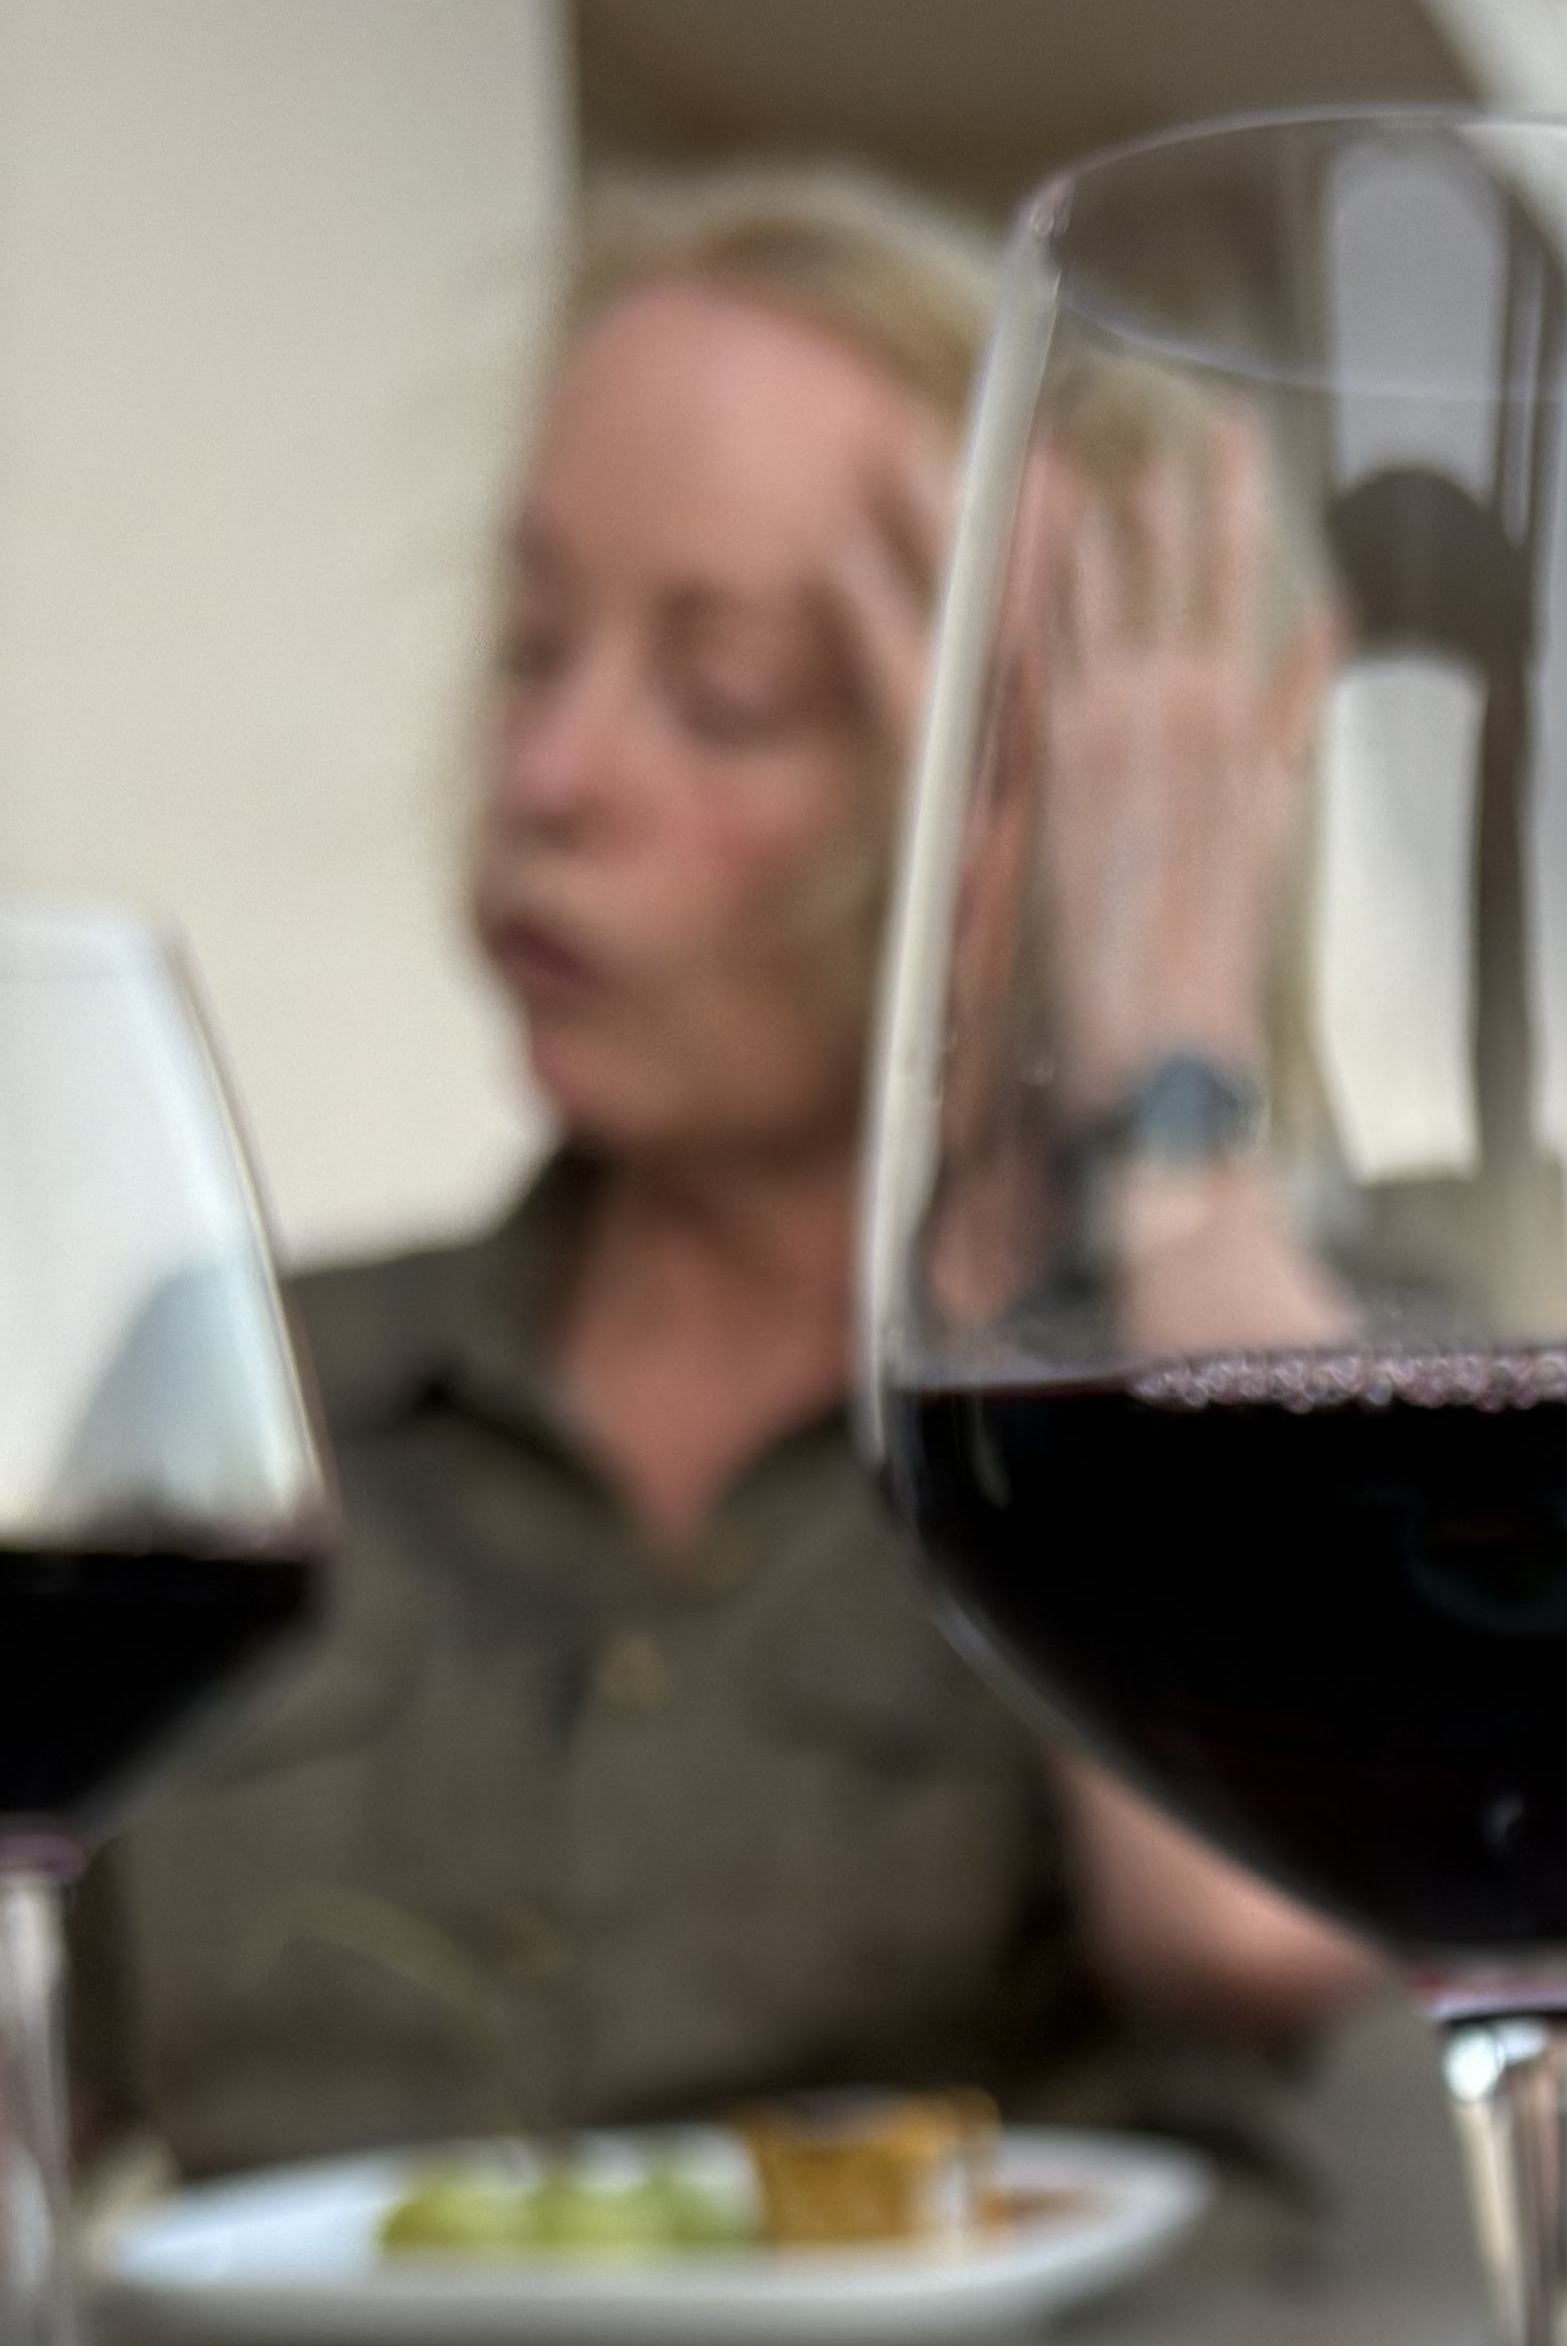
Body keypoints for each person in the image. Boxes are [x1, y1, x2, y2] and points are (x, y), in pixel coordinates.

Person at [88, 164, 1379, 2177]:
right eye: (531, 648)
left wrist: (1158, 1112)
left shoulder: (1351, 1389)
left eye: (731, 698)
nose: (550, 780)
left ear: (1049, 797)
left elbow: (1257, 1914)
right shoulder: (253, 1388)